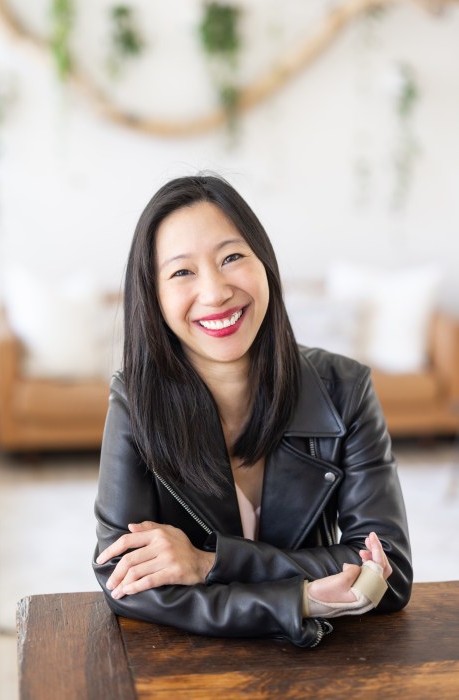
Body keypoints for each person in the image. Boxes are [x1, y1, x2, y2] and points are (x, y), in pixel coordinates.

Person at [93, 174, 412, 648]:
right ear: (153, 295)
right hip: (191, 668)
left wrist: (209, 563)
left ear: (265, 264)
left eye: (232, 258)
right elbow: (123, 579)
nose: (215, 292)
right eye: (182, 272)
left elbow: (389, 570)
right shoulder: (135, 401)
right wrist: (299, 600)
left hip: (331, 664)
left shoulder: (344, 389)